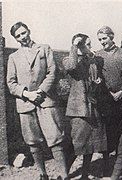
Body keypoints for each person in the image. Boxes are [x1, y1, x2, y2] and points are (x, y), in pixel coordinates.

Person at [6, 22, 68, 180]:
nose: (22, 37)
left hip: (45, 100)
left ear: (29, 31)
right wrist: (27, 94)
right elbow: (11, 83)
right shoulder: (13, 57)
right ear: (16, 38)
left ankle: (63, 174)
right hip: (26, 103)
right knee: (33, 141)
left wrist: (40, 91)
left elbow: (52, 72)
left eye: (24, 32)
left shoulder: (44, 48)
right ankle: (42, 174)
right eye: (18, 35)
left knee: (55, 139)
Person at [62, 33, 107, 179]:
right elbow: (72, 66)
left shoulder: (92, 62)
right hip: (78, 110)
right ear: (80, 46)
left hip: (93, 107)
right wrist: (75, 46)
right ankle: (63, 173)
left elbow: (93, 83)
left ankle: (85, 174)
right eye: (88, 44)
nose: (91, 48)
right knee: (76, 145)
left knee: (91, 144)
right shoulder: (68, 59)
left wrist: (97, 84)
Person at [95, 26, 122, 173]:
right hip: (108, 100)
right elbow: (98, 77)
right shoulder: (98, 56)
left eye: (104, 38)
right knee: (109, 132)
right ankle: (107, 166)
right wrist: (109, 93)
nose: (102, 42)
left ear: (112, 37)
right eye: (100, 40)